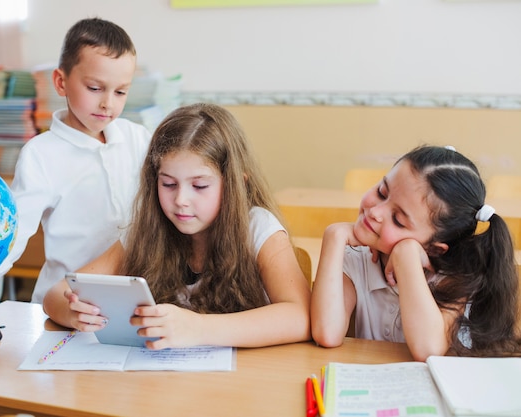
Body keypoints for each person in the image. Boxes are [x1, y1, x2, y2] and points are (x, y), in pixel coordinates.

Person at [0, 17, 151, 323]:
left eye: (121, 92)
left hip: (132, 302)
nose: (108, 103)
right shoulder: (41, 154)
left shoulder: (138, 138)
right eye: (95, 87)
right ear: (60, 82)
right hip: (67, 303)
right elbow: (10, 235)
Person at [43, 103, 312, 350]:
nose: (181, 200)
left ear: (236, 184)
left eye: (200, 186)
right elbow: (56, 293)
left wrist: (198, 328)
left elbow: (301, 316)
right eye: (168, 184)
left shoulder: (258, 228)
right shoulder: (148, 228)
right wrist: (73, 312)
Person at [310, 145, 521, 361]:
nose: (375, 212)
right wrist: (334, 237)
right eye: (382, 192)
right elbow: (327, 333)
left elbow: (428, 349)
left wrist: (406, 256)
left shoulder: (456, 275)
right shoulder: (355, 256)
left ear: (434, 248)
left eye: (398, 220)